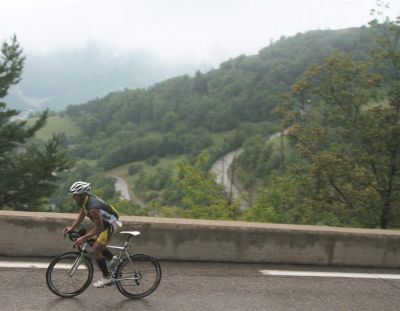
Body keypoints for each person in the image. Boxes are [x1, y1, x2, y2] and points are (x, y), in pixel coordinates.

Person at [63, 181, 122, 288]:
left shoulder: (93, 208)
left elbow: (100, 228)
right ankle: (114, 259)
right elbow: (82, 214)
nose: (73, 198)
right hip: (104, 224)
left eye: (75, 195)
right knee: (92, 241)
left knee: (95, 250)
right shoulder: (85, 202)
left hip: (110, 224)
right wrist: (72, 228)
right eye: (73, 195)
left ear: (83, 195)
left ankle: (107, 277)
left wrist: (83, 238)